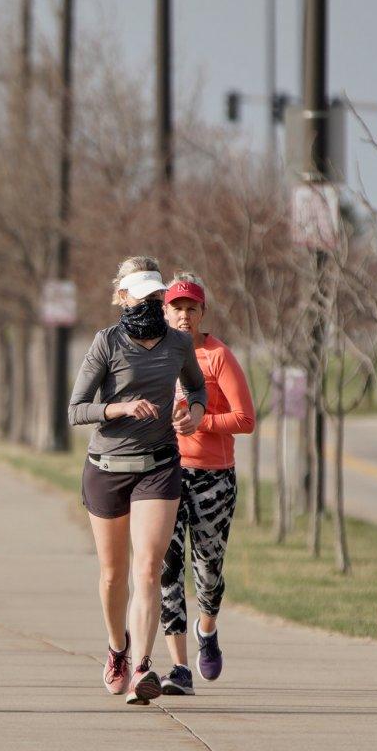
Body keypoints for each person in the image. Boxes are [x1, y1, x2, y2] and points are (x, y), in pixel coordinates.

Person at [68, 256, 207, 706]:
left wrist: (194, 415)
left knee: (147, 568)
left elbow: (197, 388)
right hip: (107, 468)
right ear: (122, 298)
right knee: (113, 575)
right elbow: (75, 410)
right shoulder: (106, 343)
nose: (149, 302)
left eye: (155, 295)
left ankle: (144, 667)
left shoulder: (178, 344)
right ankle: (118, 649)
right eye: (140, 295)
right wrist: (118, 408)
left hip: (159, 464)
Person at [157, 273, 254, 696]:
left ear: (202, 313)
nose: (183, 315)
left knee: (208, 570)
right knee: (168, 568)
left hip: (214, 476)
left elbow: (245, 418)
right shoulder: (156, 355)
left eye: (190, 308)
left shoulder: (217, 357)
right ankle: (179, 668)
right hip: (165, 473)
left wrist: (203, 420)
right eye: (176, 308)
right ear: (164, 311)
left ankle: (207, 629)